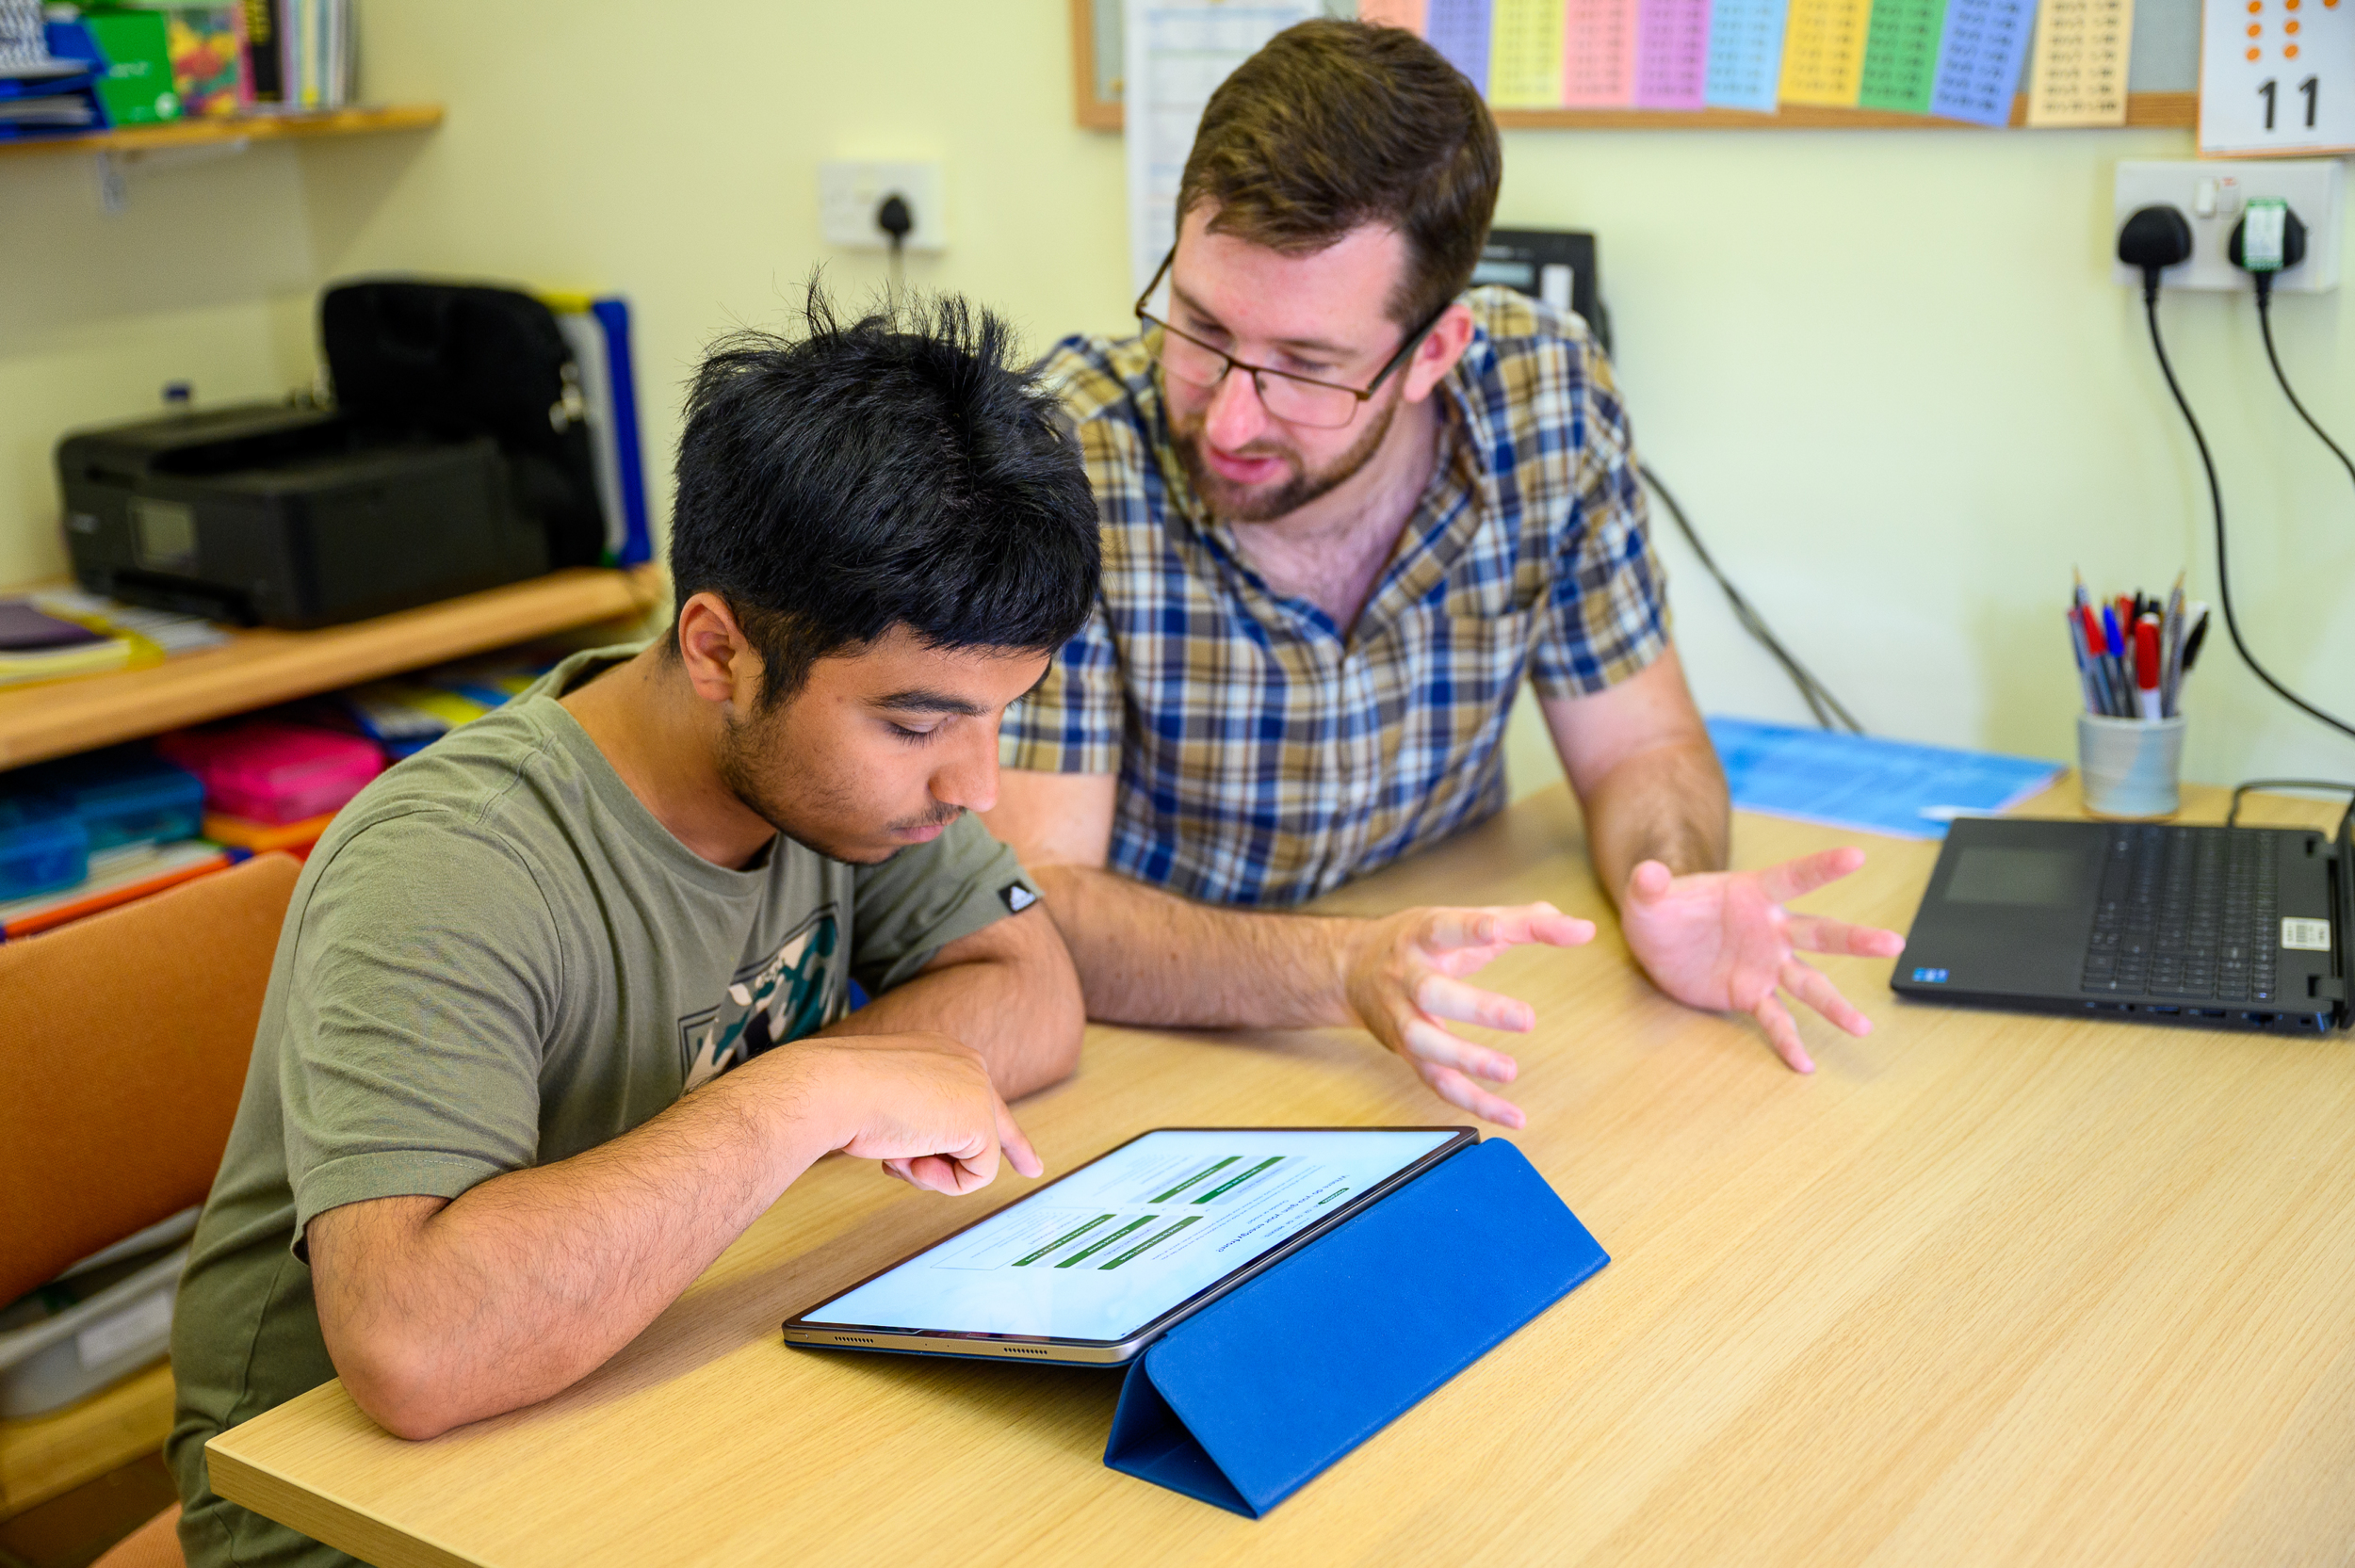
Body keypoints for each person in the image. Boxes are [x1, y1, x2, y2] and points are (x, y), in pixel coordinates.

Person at [167, 292, 1100, 1568]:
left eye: (1002, 715)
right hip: (353, 1511)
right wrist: (806, 1095)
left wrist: (805, 1109)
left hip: (648, 1387)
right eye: (919, 723)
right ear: (718, 650)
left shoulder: (831, 787)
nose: (974, 786)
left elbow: (1030, 988)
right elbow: (415, 1348)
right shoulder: (450, 861)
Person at [985, 21, 1904, 1128]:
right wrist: (1338, 969)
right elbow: (1037, 899)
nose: (1229, 415)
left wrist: (1671, 880)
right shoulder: (1070, 457)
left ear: (1434, 350)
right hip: (1155, 1060)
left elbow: (1643, 749)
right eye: (1199, 326)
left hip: (1438, 1013)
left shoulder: (1545, 399)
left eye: (1307, 368)